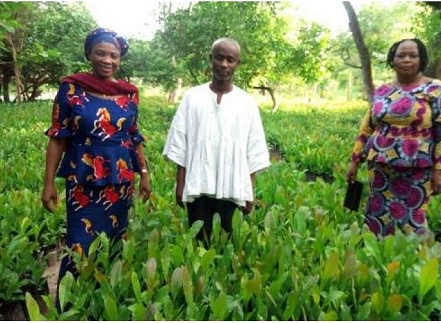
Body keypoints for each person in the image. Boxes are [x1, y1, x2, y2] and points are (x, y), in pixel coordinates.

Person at [41, 28, 151, 290]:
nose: (107, 60)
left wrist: (145, 174)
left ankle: (104, 302)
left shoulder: (129, 93)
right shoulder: (71, 88)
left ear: (120, 59)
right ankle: (71, 304)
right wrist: (48, 183)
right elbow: (58, 136)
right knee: (79, 243)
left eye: (114, 55)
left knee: (115, 239)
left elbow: (134, 136)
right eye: (101, 53)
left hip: (120, 180)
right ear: (89, 54)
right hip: (83, 178)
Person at [162, 38, 270, 246]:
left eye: (230, 60)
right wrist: (180, 182)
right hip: (198, 185)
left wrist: (249, 189)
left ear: (237, 64)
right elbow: (181, 141)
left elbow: (253, 148)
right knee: (200, 242)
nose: (224, 64)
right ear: (211, 59)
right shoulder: (192, 97)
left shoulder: (246, 103)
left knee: (227, 244)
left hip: (232, 187)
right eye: (219, 58)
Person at [346, 38, 441, 237]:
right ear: (392, 60)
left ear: (421, 60)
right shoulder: (383, 90)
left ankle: (411, 261)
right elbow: (367, 126)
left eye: (413, 55)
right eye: (401, 55)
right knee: (378, 211)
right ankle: (376, 255)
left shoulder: (436, 89)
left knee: (413, 215)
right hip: (380, 166)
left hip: (417, 168)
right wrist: (355, 161)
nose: (406, 59)